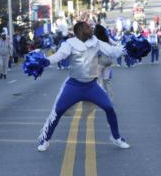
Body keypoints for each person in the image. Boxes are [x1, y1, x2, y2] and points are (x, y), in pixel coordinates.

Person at [37, 22, 130, 151]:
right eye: (87, 27)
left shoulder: (96, 42)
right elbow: (59, 56)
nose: (91, 29)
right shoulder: (69, 44)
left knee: (109, 108)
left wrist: (126, 49)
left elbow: (112, 51)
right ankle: (45, 139)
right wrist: (46, 61)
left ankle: (116, 137)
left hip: (92, 86)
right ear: (80, 31)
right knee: (57, 112)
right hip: (74, 86)